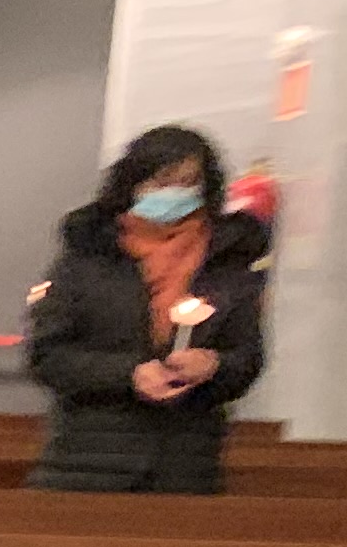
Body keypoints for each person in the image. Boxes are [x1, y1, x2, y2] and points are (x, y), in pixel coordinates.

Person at [22, 124, 268, 493]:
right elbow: (47, 356)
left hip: (185, 464)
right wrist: (129, 374)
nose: (175, 193)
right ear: (134, 184)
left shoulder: (228, 262)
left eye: (188, 182)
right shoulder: (88, 257)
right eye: (162, 181)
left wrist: (214, 365)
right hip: (87, 461)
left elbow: (247, 357)